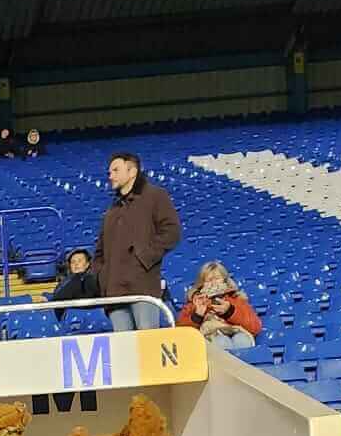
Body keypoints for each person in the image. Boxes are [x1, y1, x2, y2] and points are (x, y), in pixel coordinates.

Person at [93, 151, 181, 332]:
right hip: (114, 291)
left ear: (132, 172)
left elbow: (172, 231)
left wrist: (143, 258)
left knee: (147, 344)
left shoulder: (155, 195)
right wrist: (102, 275)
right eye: (110, 172)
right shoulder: (111, 210)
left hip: (142, 286)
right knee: (123, 348)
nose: (110, 176)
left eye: (115, 170)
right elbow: (99, 250)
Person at [176, 261, 262, 353]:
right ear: (202, 284)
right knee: (222, 341)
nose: (213, 283)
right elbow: (182, 333)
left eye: (217, 278)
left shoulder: (236, 299)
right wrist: (197, 316)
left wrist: (230, 311)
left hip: (237, 333)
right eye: (209, 280)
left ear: (224, 280)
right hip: (211, 337)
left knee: (241, 340)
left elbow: (255, 327)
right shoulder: (194, 303)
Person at [48, 247, 104, 322]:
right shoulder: (64, 282)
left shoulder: (95, 279)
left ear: (87, 264)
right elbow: (58, 297)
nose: (76, 264)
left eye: (79, 261)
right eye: (73, 262)